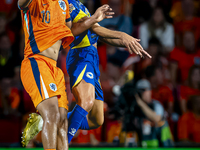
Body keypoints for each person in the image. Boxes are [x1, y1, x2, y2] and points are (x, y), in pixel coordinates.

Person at [22, 0, 151, 147]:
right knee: (86, 102)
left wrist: (128, 43)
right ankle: (62, 143)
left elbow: (99, 34)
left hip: (92, 57)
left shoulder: (78, 4)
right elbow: (92, 28)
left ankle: (43, 123)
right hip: (81, 55)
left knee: (96, 119)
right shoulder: (67, 4)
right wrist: (121, 35)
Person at [18, 0, 115, 149]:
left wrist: (94, 19)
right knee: (52, 114)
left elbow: (69, 31)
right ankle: (42, 122)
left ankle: (40, 123)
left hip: (55, 68)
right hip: (37, 62)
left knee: (63, 121)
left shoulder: (63, 4)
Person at [118, 79, 173, 147]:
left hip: (161, 145)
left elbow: (156, 118)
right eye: (139, 91)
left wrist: (140, 102)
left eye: (144, 90)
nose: (141, 93)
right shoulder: (135, 109)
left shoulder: (156, 105)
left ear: (150, 91)